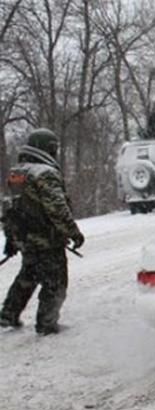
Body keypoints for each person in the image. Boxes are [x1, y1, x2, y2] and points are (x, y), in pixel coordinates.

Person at [0, 129, 84, 335]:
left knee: (28, 275)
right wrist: (74, 232)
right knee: (55, 282)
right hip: (47, 239)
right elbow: (57, 208)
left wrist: (11, 238)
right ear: (47, 149)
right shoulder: (45, 173)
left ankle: (8, 314)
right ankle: (47, 323)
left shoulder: (17, 172)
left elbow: (10, 208)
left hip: (25, 238)